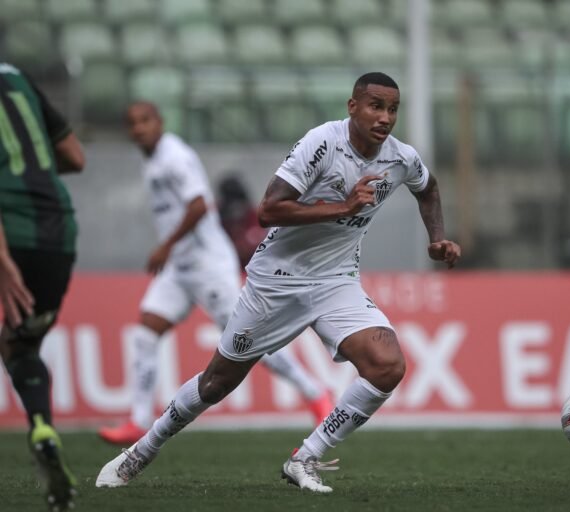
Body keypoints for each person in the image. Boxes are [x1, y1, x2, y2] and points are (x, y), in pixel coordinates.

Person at [96, 72, 460, 492]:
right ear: (352, 107)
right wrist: (342, 206)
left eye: (393, 108)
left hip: (335, 280)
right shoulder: (321, 143)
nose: (385, 117)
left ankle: (305, 457)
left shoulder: (400, 159)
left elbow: (428, 188)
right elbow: (269, 209)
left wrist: (436, 239)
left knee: (387, 366)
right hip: (276, 281)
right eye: (375, 106)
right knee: (216, 383)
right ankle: (142, 449)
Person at [97, 102, 333, 445]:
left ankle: (315, 393)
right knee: (147, 330)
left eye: (145, 121)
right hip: (180, 268)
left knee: (247, 341)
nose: (139, 129)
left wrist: (166, 245)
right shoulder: (152, 162)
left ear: (160, 122)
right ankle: (138, 420)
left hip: (208, 265)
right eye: (132, 124)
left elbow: (199, 204)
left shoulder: (174, 157)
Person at [0, 62, 85, 511]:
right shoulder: (17, 76)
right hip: (56, 232)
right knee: (22, 344)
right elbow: (75, 156)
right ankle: (41, 427)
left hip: (7, 229)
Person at [217, 174, 267, 269]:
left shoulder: (254, 216)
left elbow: (253, 247)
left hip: (251, 268)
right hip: (225, 267)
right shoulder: (217, 216)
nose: (235, 209)